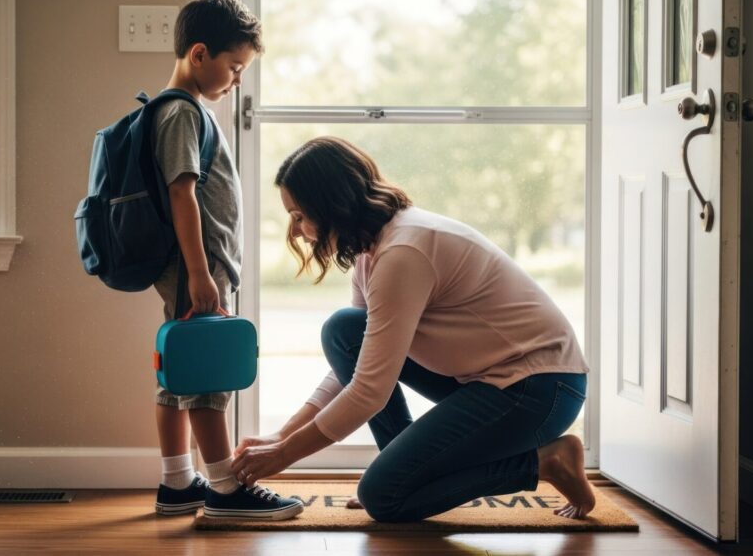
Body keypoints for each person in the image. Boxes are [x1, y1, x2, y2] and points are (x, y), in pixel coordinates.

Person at [231, 136, 594, 522]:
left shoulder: (404, 252)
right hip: (491, 380)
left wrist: (285, 454)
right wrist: (281, 436)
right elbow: (359, 364)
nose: (297, 231)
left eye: (299, 215)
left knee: (383, 497)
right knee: (344, 330)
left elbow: (368, 391)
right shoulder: (371, 255)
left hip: (541, 388)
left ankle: (548, 462)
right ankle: (404, 474)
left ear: (331, 205)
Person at [151, 0, 302, 521]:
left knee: (180, 376)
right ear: (199, 54)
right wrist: (199, 273)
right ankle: (224, 490)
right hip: (199, 268)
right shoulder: (181, 113)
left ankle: (178, 484)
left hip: (196, 268)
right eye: (234, 67)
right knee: (208, 379)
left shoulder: (183, 111)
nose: (237, 79)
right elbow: (181, 194)